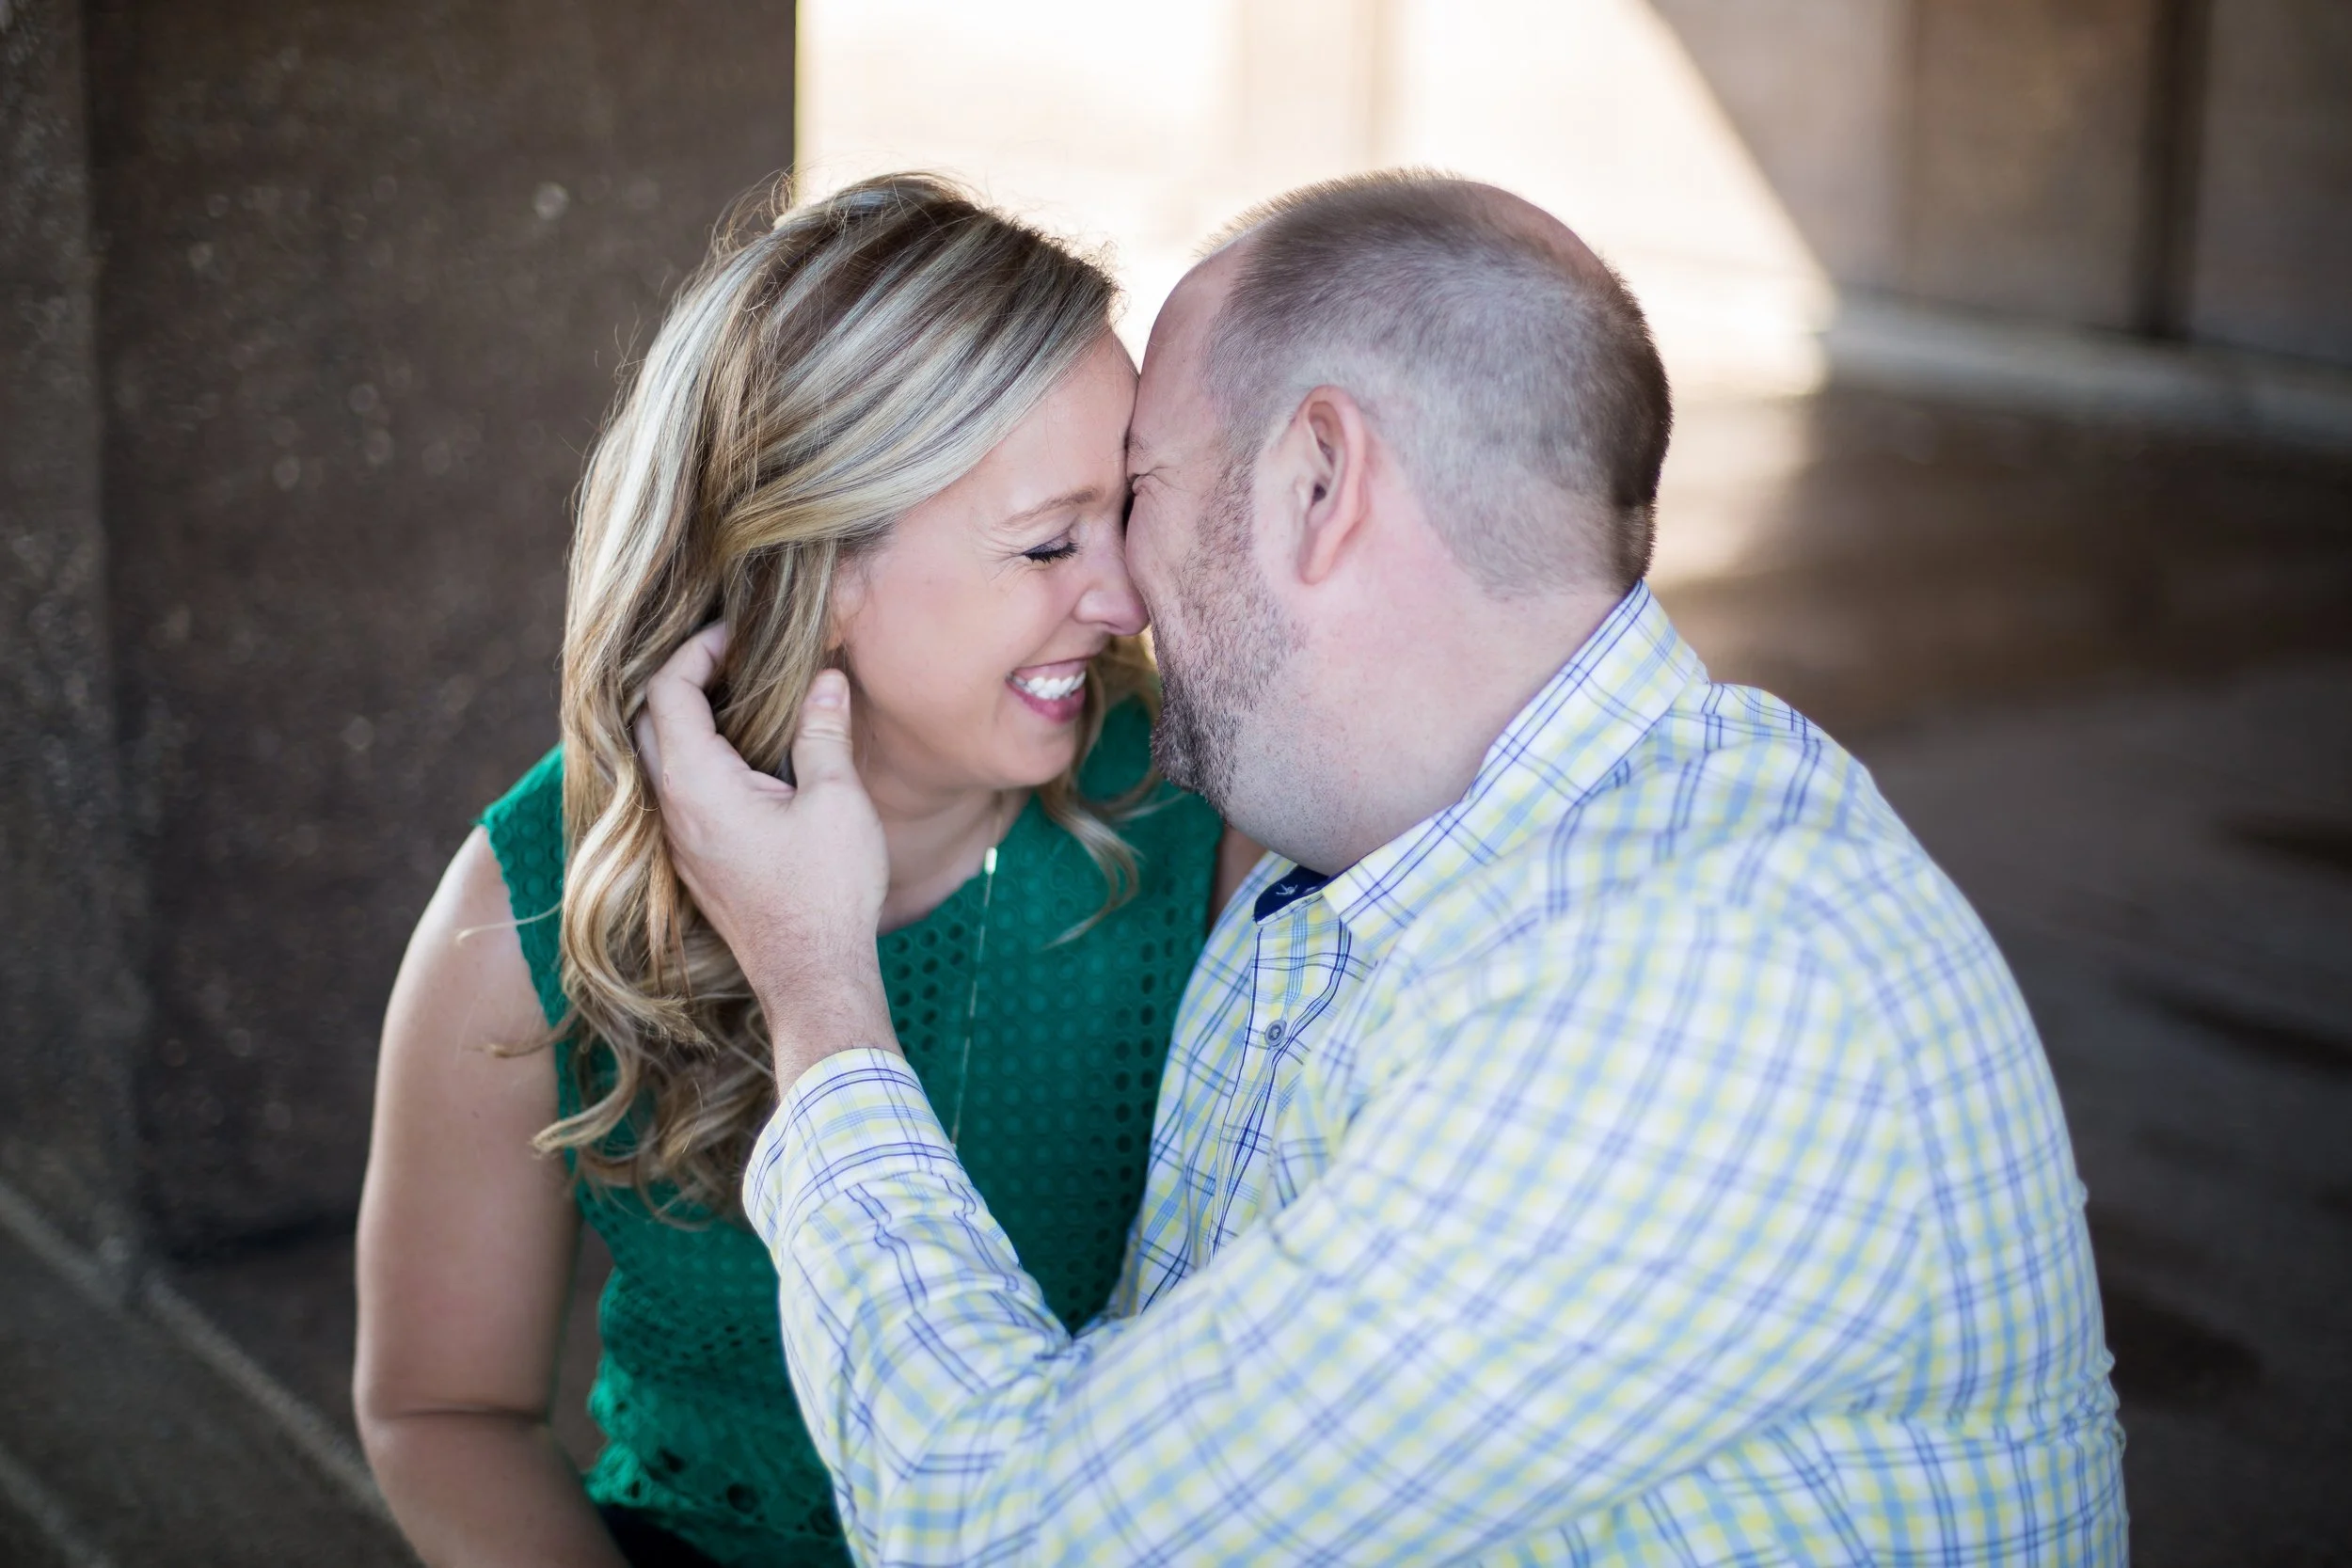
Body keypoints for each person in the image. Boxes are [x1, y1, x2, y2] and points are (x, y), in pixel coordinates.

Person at [640, 173, 2128, 1564]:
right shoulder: (1366, 873)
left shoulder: (1712, 983)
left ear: (1316, 481)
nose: (1120, 591)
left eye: (1142, 490)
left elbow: (1008, 1531)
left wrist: (819, 992)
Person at [353, 174, 1255, 1567]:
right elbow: (439, 1406)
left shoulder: (1211, 830)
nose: (1129, 597)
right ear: (811, 556)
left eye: (1122, 511)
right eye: (1045, 541)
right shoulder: (538, 892)